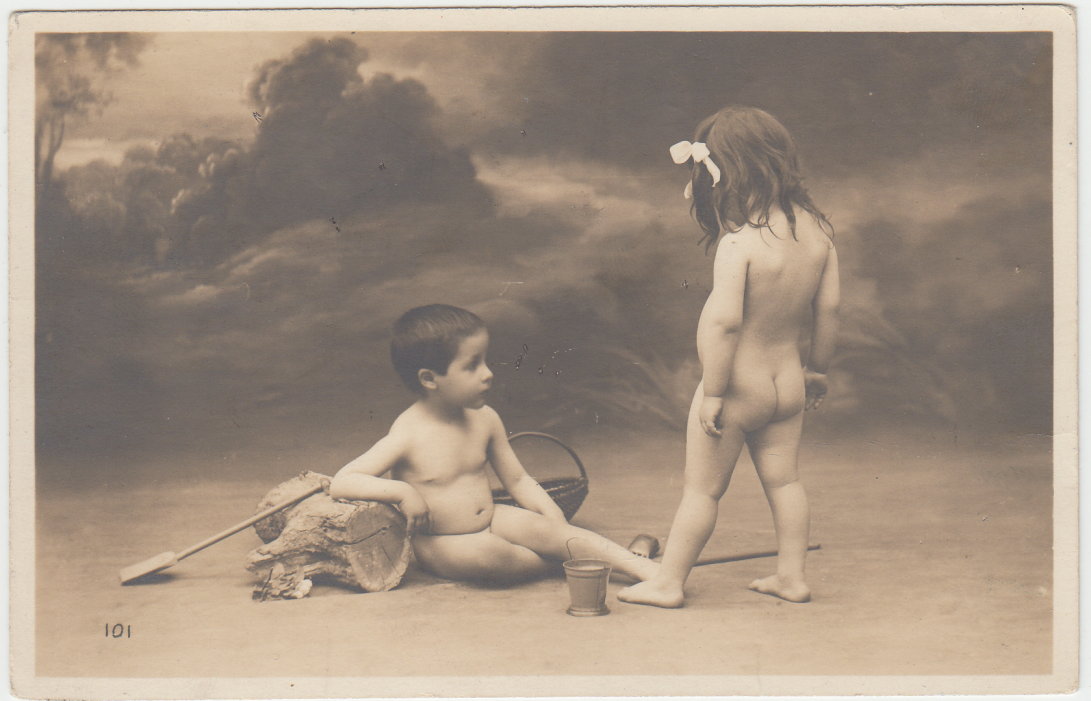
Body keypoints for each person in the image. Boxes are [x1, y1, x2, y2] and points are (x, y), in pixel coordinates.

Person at [619, 106, 840, 608]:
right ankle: (791, 577)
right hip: (787, 379)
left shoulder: (740, 243)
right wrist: (818, 369)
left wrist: (715, 392)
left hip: (739, 384)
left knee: (702, 491)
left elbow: (724, 323)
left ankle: (668, 583)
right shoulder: (818, 234)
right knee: (786, 482)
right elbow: (828, 310)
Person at [329, 304, 659, 586]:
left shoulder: (485, 419)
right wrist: (403, 493)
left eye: (485, 361)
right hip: (442, 542)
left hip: (492, 519)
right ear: (429, 379)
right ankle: (574, 563)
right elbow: (343, 481)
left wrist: (553, 519)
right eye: (472, 365)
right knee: (490, 556)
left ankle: (639, 567)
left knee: (553, 532)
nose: (487, 374)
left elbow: (518, 479)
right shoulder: (409, 433)